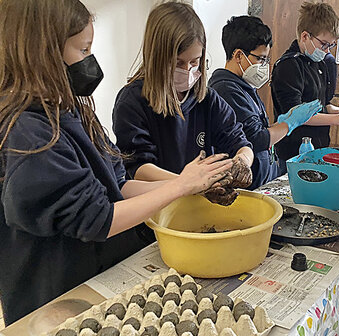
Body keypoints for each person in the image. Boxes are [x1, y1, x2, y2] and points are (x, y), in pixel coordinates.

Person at [0, 0, 232, 325]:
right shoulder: (29, 133)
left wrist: (193, 186)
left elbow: (120, 183)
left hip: (99, 278)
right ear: (44, 53)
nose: (90, 62)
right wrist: (181, 184)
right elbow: (99, 219)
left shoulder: (74, 111)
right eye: (83, 51)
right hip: (53, 301)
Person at [113, 2, 254, 205]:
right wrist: (189, 184)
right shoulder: (133, 101)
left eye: (194, 62)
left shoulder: (206, 99)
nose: (187, 70)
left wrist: (242, 162)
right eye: (178, 63)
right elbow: (139, 168)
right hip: (156, 211)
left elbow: (240, 143)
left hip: (200, 208)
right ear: (157, 58)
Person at [208, 16, 321, 190]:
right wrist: (289, 123)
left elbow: (257, 130)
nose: (263, 65)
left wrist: (279, 124)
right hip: (243, 186)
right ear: (238, 55)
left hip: (260, 181)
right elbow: (256, 139)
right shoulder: (226, 89)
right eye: (260, 59)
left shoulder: (243, 86)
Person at [270, 2, 339, 170]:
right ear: (305, 36)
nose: (326, 51)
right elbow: (295, 116)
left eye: (331, 46)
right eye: (323, 44)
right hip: (293, 152)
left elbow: (324, 106)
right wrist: (338, 120)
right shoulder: (288, 66)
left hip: (319, 149)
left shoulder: (320, 63)